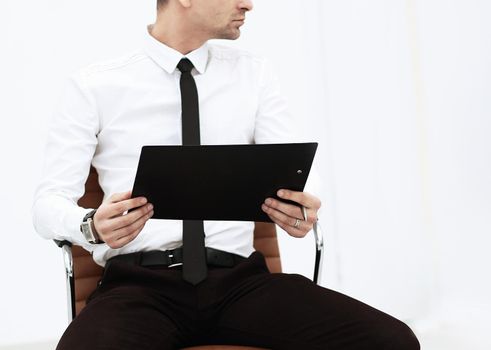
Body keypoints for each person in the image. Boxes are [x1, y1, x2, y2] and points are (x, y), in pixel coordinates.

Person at [32, 0, 421, 349]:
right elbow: (47, 204)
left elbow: (295, 169)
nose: (248, 4)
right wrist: (90, 226)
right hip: (141, 287)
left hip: (240, 282)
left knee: (392, 341)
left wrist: (304, 205)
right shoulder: (95, 85)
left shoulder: (254, 74)